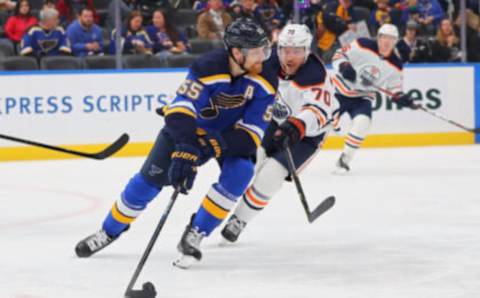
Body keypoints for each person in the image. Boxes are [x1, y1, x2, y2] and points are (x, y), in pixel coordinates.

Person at [74, 19, 277, 270]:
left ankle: (197, 232)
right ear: (237, 52)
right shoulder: (207, 67)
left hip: (226, 138)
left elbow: (252, 134)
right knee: (148, 182)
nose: (263, 57)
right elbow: (181, 110)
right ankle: (109, 231)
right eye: (257, 52)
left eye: (265, 51)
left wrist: (208, 147)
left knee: (242, 171)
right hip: (188, 132)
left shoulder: (266, 78)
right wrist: (186, 147)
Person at [220, 24, 338, 243]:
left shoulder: (315, 74)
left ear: (307, 51)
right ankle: (215, 212)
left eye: (296, 51)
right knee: (246, 165)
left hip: (307, 135)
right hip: (273, 121)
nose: (289, 56)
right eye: (285, 50)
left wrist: (297, 126)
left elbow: (318, 111)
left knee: (270, 174)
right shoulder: (267, 65)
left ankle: (239, 220)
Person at [331, 24, 414, 174]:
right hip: (339, 90)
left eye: (391, 38)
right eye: (383, 37)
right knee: (319, 125)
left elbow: (394, 88)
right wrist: (344, 66)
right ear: (378, 37)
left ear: (396, 41)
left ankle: (344, 160)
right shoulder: (363, 44)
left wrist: (401, 98)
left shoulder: (396, 64)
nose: (386, 41)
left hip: (363, 97)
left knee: (363, 123)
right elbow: (338, 54)